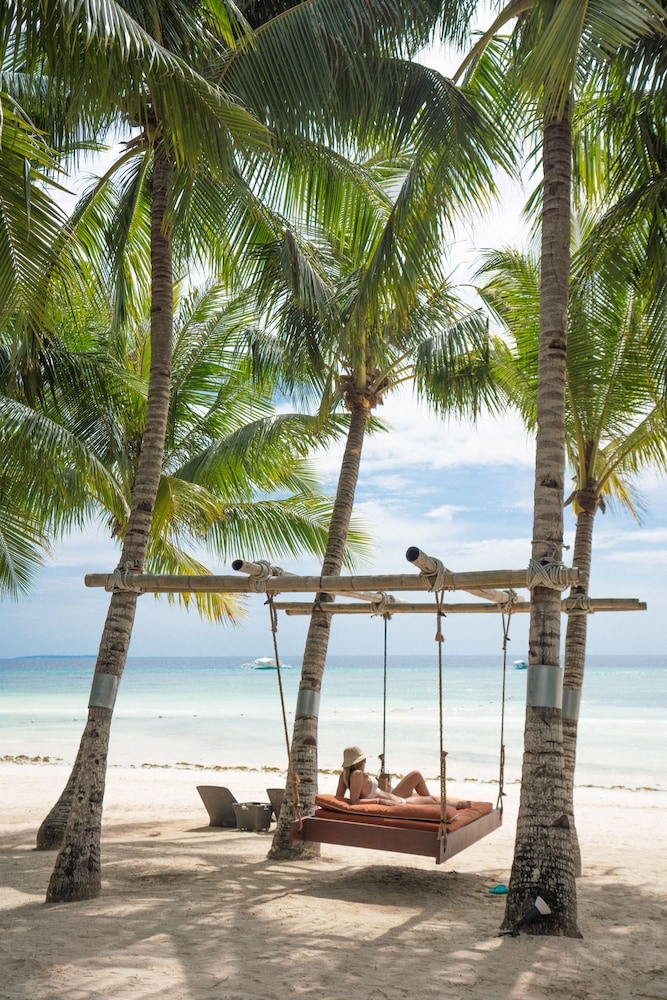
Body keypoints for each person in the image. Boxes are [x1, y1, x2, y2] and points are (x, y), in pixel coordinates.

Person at [335, 746, 469, 816]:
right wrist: (379, 801)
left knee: (416, 775)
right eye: (364, 760)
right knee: (432, 801)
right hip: (396, 800)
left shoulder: (344, 776)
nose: (365, 763)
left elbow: (339, 799)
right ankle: (457, 805)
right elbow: (354, 801)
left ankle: (454, 803)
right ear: (358, 762)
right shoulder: (358, 774)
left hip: (393, 795)